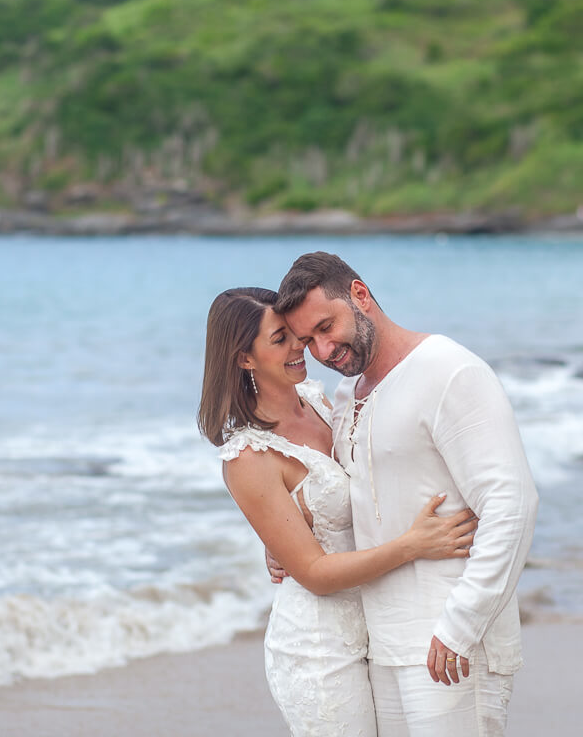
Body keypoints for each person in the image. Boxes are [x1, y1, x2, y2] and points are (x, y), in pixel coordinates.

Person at [271, 253, 539, 737]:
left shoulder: (449, 371)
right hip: (380, 647)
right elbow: (351, 500)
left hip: (450, 644)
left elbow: (512, 505)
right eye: (308, 341)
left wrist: (461, 626)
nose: (324, 350)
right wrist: (287, 540)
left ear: (360, 295)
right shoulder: (347, 397)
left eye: (327, 327)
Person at [197, 286, 479, 737]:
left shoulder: (318, 400)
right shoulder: (248, 457)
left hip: (377, 625)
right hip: (318, 649)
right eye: (280, 339)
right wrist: (412, 545)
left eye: (295, 333)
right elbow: (314, 573)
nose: (300, 346)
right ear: (244, 359)